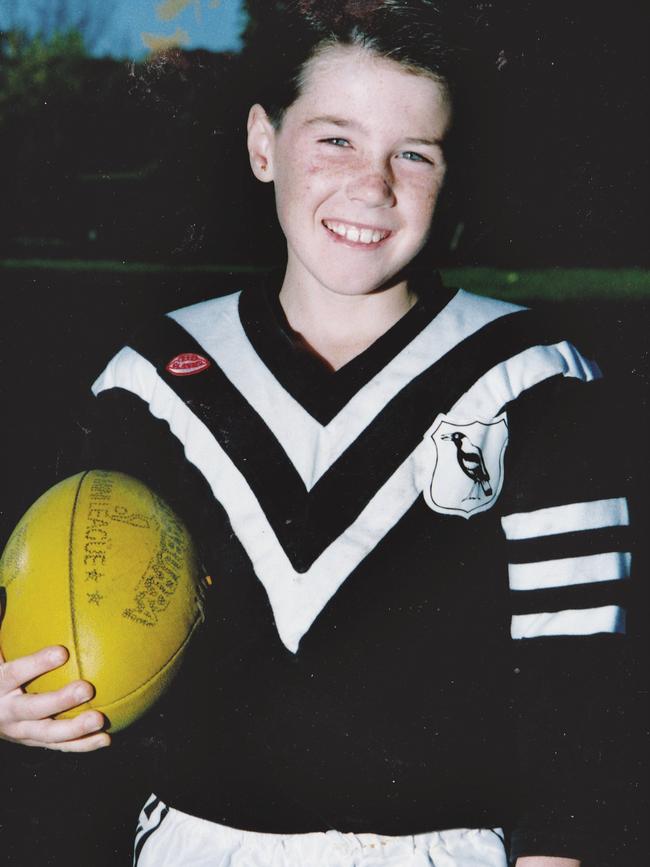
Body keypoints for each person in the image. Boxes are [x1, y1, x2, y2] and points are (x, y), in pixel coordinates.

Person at [0, 2, 632, 865]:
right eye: (335, 139)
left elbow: (584, 709)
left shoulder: (536, 378)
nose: (372, 185)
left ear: (451, 175)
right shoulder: (146, 383)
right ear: (265, 145)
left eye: (412, 152)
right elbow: (65, 614)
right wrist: (22, 699)